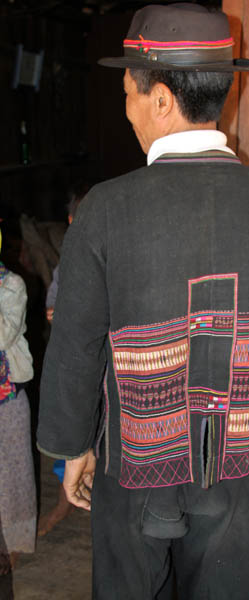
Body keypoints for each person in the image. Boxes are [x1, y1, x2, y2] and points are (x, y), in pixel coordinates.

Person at [37, 3, 249, 600]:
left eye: (128, 94)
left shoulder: (106, 209)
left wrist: (72, 446)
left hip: (134, 464)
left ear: (162, 100)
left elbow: (76, 347)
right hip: (238, 459)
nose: (127, 110)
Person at [38, 184, 90, 537]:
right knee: (70, 433)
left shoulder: (118, 254)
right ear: (71, 222)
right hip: (73, 360)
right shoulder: (68, 261)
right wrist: (55, 311)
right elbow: (54, 300)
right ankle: (63, 502)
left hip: (103, 361)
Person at [0, 226, 36, 575]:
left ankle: (12, 547)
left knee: (13, 477)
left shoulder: (12, 285)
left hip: (6, 396)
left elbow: (3, 335)